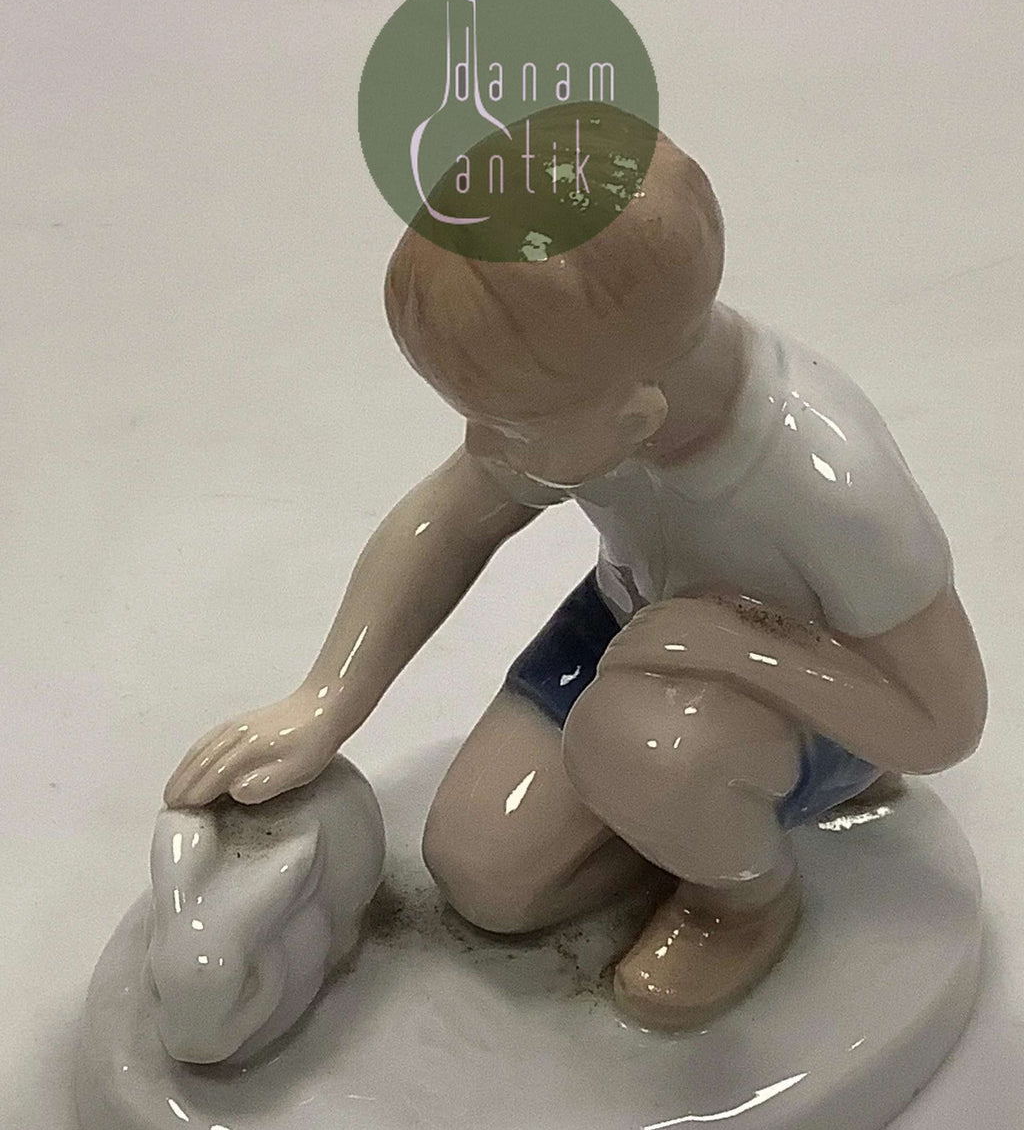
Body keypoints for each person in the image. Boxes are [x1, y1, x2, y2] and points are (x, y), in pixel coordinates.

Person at [165, 106, 986, 1032]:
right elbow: (453, 516)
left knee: (641, 742)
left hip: (823, 694)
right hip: (634, 628)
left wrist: (732, 649)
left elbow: (944, 720)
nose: (484, 447)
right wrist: (326, 699)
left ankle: (743, 896)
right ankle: (697, 810)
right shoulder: (591, 392)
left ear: (637, 416)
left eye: (505, 428)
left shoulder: (828, 481)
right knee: (487, 874)